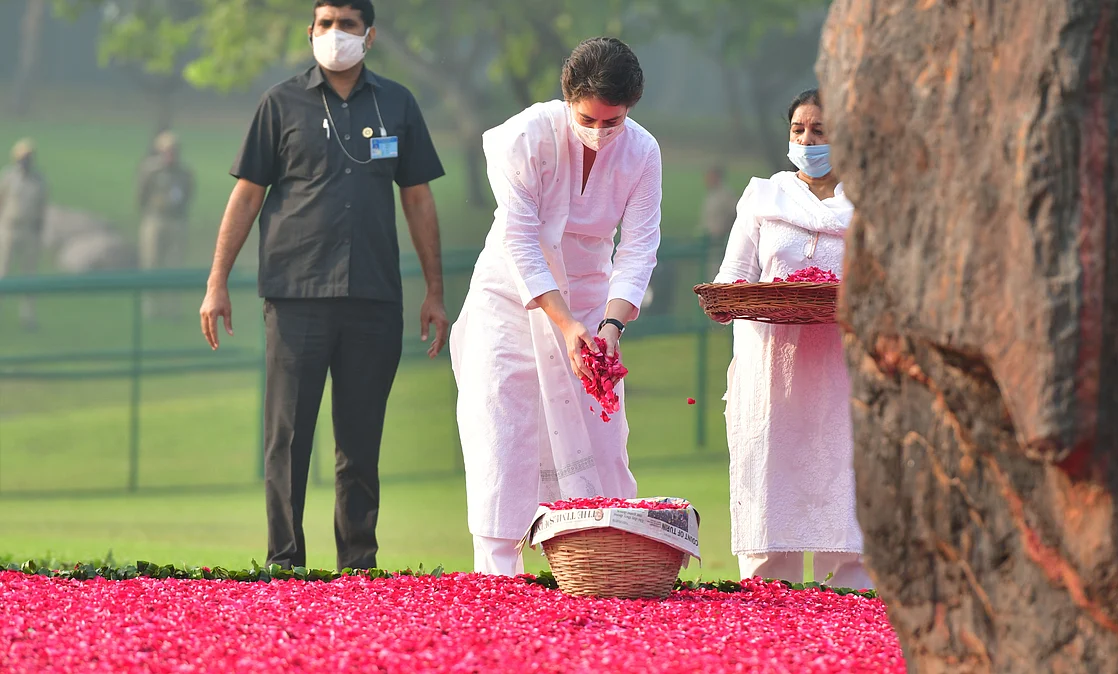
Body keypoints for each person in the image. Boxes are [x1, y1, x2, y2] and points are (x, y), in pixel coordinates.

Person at [198, 0, 449, 571]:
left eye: (349, 25)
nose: (337, 34)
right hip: (295, 297)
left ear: (370, 35)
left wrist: (434, 291)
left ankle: (358, 563)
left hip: (373, 297)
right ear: (310, 31)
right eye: (326, 24)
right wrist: (217, 282)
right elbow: (246, 195)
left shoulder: (397, 104)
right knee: (287, 439)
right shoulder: (279, 103)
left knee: (360, 441)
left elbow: (417, 198)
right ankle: (284, 562)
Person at [450, 37, 662, 576]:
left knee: (602, 438)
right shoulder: (525, 136)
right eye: (589, 118)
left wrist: (609, 326)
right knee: (504, 431)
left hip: (593, 301)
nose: (600, 132)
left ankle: (605, 573)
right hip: (511, 301)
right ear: (568, 99)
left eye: (614, 121)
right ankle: (500, 575)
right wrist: (562, 323)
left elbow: (638, 248)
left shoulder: (642, 151)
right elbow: (520, 238)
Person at [713, 89, 872, 589]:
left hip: (844, 372)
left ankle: (849, 601)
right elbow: (733, 277)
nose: (807, 140)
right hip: (771, 372)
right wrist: (736, 301)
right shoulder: (764, 197)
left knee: (843, 483)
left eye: (819, 131)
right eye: (798, 130)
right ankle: (768, 608)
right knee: (769, 483)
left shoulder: (871, 202)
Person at [138, 130, 194, 318]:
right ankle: (151, 308)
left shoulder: (184, 173)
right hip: (155, 220)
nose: (171, 154)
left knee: (175, 264)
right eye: (167, 150)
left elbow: (188, 194)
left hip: (176, 220)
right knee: (152, 263)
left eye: (174, 150)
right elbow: (141, 195)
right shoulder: (150, 170)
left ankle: (173, 308)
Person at [0, 138, 47, 331]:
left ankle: (28, 317)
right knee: (3, 273)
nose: (26, 160)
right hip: (9, 228)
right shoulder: (8, 178)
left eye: (28, 156)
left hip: (29, 230)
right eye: (23, 157)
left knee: (29, 275)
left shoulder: (39, 181)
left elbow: (42, 207)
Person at [697, 165, 737, 279]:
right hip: (709, 244)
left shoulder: (726, 195)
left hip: (720, 244)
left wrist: (724, 232)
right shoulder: (710, 196)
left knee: (718, 274)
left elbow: (735, 214)